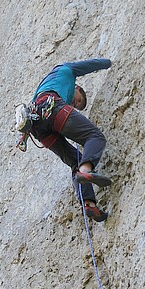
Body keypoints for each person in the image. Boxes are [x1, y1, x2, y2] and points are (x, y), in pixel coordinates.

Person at [31, 58, 112, 222]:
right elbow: (91, 65)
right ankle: (86, 170)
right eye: (79, 100)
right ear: (77, 88)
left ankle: (88, 204)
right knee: (94, 136)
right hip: (51, 106)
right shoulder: (66, 70)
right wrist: (109, 63)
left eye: (76, 106)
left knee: (75, 161)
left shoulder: (46, 85)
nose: (75, 104)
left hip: (36, 125)